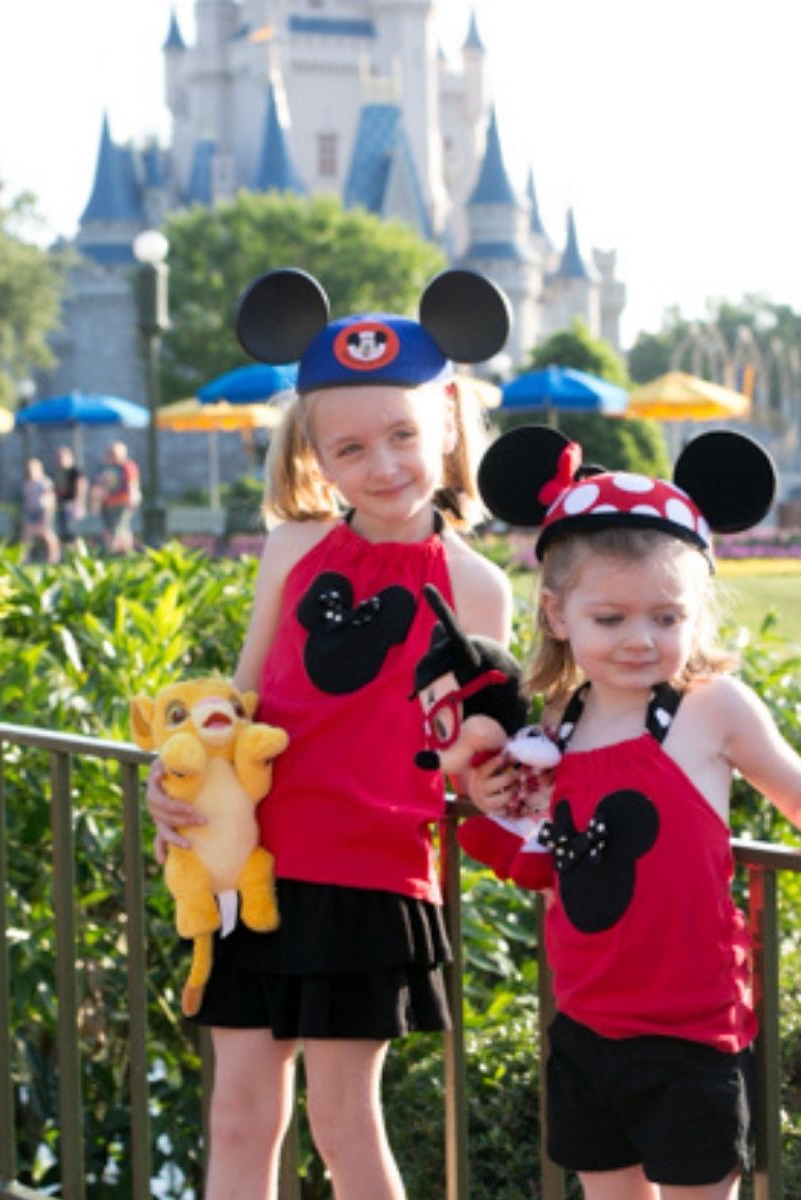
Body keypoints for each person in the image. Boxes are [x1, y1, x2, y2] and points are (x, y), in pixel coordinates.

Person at [465, 425, 801, 1200]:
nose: (640, 641)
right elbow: (525, 817)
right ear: (556, 614)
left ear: (696, 611)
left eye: (666, 618)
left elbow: (800, 789)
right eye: (610, 620)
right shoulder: (556, 722)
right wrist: (488, 792)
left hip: (691, 1034)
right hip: (584, 1025)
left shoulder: (712, 710)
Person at [147, 266, 513, 1200]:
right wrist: (178, 783)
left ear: (445, 423)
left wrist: (497, 775)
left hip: (367, 874)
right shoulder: (294, 546)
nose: (384, 465)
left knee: (343, 1122)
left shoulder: (478, 588)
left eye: (402, 436)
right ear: (316, 458)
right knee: (239, 1114)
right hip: (254, 867)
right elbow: (244, 697)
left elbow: (472, 747)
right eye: (351, 450)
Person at [94, 440, 141, 554]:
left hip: (122, 502)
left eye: (114, 453)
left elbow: (132, 483)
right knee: (110, 529)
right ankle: (114, 550)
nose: (111, 456)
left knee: (121, 528)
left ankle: (124, 551)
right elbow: (100, 485)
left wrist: (133, 497)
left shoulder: (127, 466)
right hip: (107, 503)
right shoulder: (106, 468)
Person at [19, 456, 60, 563]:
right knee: (26, 534)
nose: (30, 471)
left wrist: (47, 514)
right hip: (31, 512)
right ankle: (24, 556)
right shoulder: (27, 484)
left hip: (43, 511)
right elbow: (27, 500)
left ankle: (54, 556)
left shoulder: (45, 482)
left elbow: (50, 498)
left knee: (47, 533)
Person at [53, 445, 87, 543]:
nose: (59, 460)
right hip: (62, 506)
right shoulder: (60, 472)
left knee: (75, 531)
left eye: (61, 458)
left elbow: (81, 487)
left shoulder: (75, 471)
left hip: (72, 506)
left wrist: (77, 504)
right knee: (64, 532)